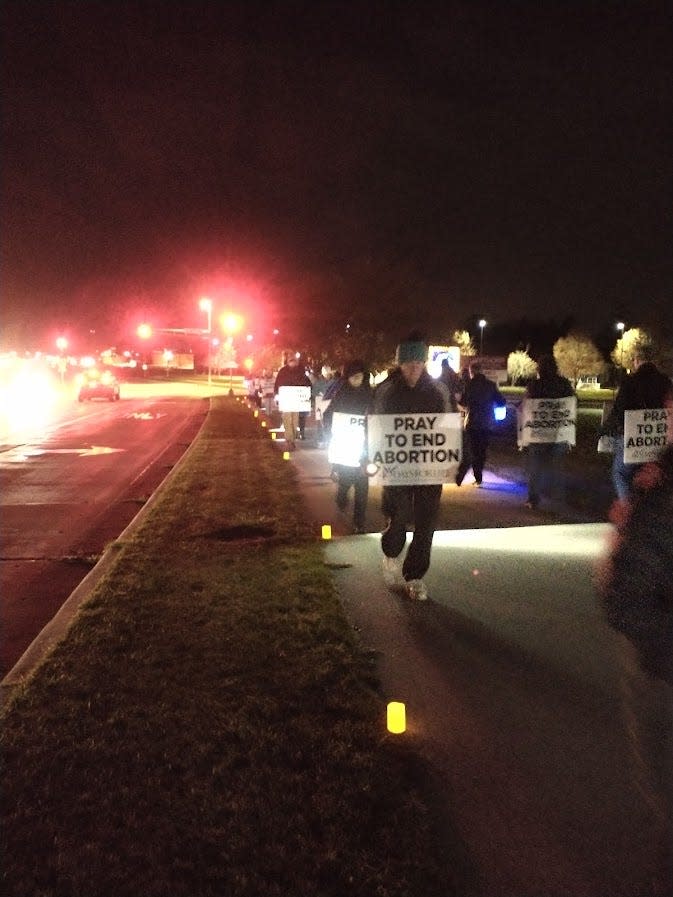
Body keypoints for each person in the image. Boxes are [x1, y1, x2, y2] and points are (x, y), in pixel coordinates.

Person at [597, 445, 673, 893]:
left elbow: (630, 588)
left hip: (660, 658)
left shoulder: (661, 494)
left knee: (657, 755)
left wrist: (623, 540)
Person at [372, 332, 454, 601]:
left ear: (425, 363)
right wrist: (370, 457)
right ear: (400, 364)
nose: (414, 368)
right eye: (408, 363)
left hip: (429, 468)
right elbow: (373, 426)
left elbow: (450, 427)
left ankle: (415, 575)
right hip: (396, 468)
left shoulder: (439, 391)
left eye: (418, 363)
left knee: (426, 520)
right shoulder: (385, 391)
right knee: (399, 515)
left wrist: (458, 460)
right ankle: (392, 552)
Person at [602, 345, 672, 500]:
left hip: (632, 439)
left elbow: (619, 410)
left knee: (620, 473)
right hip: (657, 440)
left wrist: (606, 429)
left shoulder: (630, 382)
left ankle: (629, 510)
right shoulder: (665, 381)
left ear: (637, 360)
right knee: (651, 475)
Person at [322, 359, 372, 534]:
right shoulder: (341, 394)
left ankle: (359, 522)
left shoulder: (369, 395)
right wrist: (331, 432)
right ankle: (341, 501)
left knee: (362, 486)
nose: (357, 380)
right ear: (348, 378)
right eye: (354, 377)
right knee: (345, 482)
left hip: (364, 449)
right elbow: (328, 415)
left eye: (360, 377)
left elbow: (376, 417)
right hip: (345, 447)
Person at [523, 354, 574, 509]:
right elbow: (572, 404)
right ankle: (559, 499)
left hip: (538, 433)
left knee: (536, 467)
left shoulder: (534, 386)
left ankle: (533, 499)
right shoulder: (564, 384)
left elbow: (527, 407)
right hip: (559, 432)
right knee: (557, 466)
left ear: (540, 368)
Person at [454, 361, 504, 487]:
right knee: (481, 452)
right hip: (487, 423)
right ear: (481, 371)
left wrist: (458, 400)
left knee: (470, 450)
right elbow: (501, 402)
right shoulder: (491, 385)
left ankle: (461, 476)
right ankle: (478, 478)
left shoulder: (469, 385)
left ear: (472, 372)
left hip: (472, 423)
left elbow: (464, 403)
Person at [273, 353, 312, 450]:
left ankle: (292, 438)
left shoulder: (300, 371)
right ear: (288, 361)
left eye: (294, 360)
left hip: (296, 400)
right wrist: (277, 395)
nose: (292, 362)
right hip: (286, 399)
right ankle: (288, 440)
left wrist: (306, 394)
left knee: (295, 421)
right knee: (287, 419)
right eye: (291, 360)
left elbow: (307, 384)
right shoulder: (282, 371)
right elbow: (277, 384)